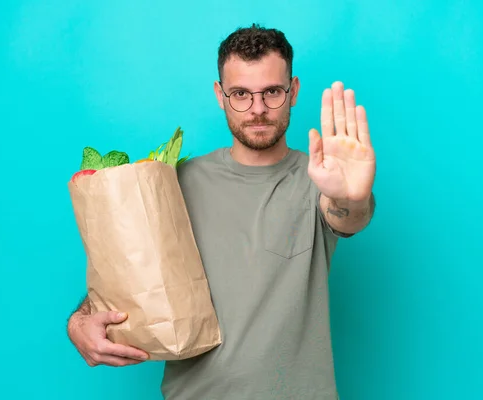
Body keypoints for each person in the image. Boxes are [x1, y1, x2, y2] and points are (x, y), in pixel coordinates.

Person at [66, 23, 377, 399]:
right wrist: (81, 320)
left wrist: (352, 197)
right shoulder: (174, 183)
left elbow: (346, 216)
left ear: (293, 91)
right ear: (220, 94)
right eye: (241, 94)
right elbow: (131, 280)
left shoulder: (319, 180)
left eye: (272, 92)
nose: (258, 109)